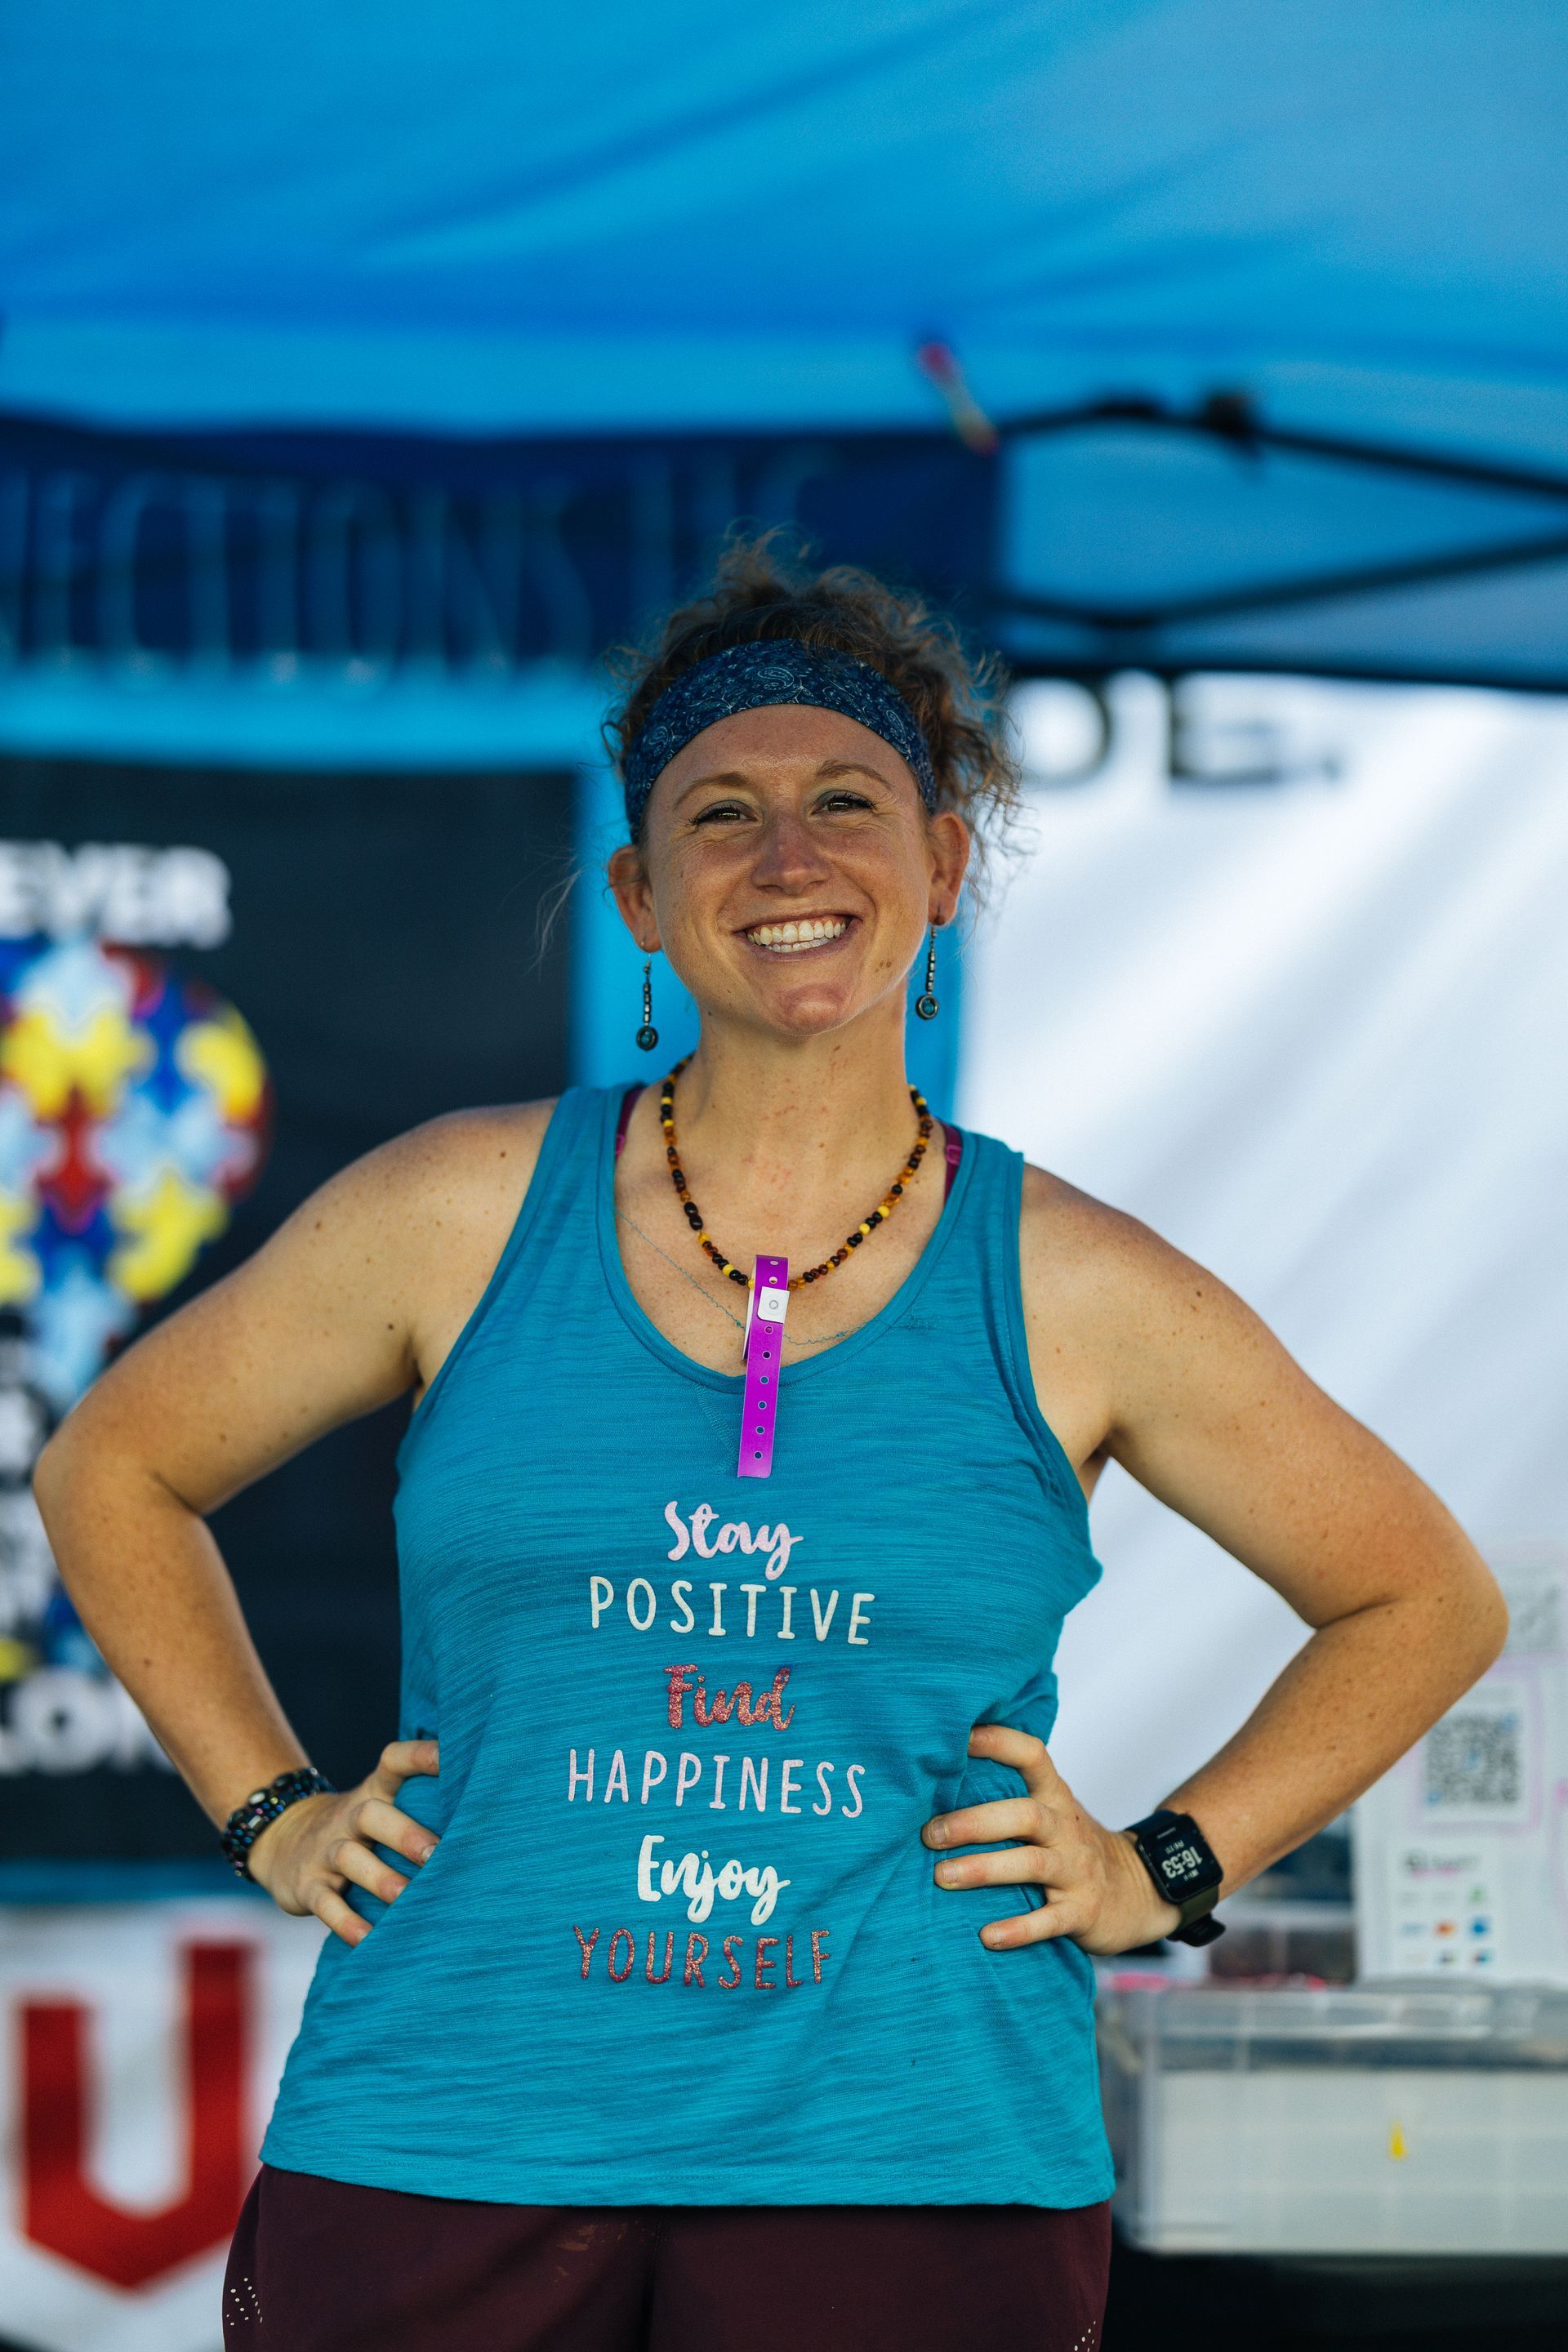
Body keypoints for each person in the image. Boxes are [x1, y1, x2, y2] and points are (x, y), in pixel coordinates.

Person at [34, 538, 1506, 2352]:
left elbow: (1416, 1596)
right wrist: (268, 1811)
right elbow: (111, 1465)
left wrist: (1161, 1868)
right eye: (722, 815)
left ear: (945, 865)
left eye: (848, 803)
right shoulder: (458, 1212)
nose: (790, 859)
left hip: (916, 2161)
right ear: (641, 895)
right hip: (452, 2129)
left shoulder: (1079, 1286)